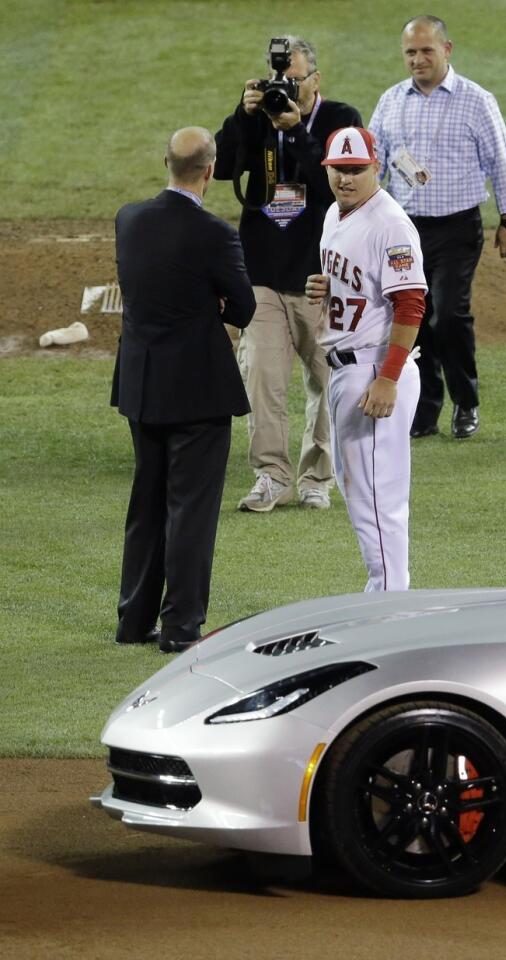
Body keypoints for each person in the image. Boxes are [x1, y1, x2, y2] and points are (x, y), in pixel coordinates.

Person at [111, 127, 256, 653]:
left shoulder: (129, 219)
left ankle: (132, 621)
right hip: (197, 390)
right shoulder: (215, 234)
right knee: (190, 510)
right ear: (210, 171)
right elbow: (242, 308)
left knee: (146, 503)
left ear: (166, 164)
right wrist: (212, 303)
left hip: (142, 386)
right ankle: (180, 628)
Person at [216, 36, 362, 512]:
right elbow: (220, 166)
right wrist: (244, 114)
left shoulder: (342, 119)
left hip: (320, 276)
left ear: (315, 80)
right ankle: (271, 476)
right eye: (280, 78)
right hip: (261, 270)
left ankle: (317, 477)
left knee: (326, 382)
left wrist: (297, 132)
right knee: (262, 377)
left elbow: (340, 186)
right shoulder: (256, 116)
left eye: (294, 79)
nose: (285, 87)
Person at [368, 14, 506, 441]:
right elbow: (373, 161)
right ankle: (425, 407)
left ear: (447, 50)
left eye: (426, 50)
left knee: (449, 314)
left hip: (457, 228)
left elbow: (501, 163)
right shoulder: (391, 100)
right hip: (405, 229)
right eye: (410, 52)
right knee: (414, 318)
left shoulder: (476, 100)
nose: (418, 59)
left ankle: (466, 401)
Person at [305, 126, 427, 591]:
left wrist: (389, 378)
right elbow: (360, 286)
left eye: (357, 170)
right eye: (339, 170)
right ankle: (384, 595)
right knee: (361, 494)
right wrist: (325, 287)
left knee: (379, 500)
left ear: (375, 167)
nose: (347, 179)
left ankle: (390, 604)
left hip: (375, 371)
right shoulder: (335, 215)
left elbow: (411, 303)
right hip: (346, 370)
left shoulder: (390, 224)